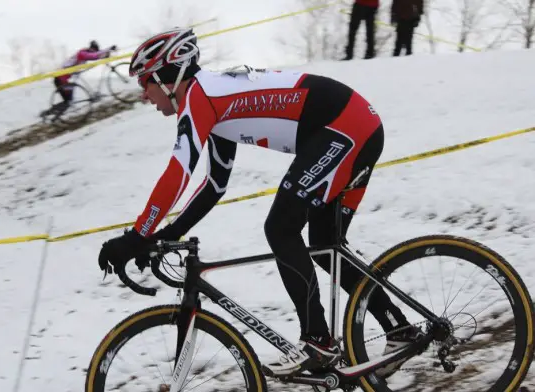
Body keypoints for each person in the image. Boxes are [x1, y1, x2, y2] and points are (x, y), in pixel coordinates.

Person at [97, 27, 421, 376]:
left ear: (167, 77)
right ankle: (399, 331)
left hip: (346, 128)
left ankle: (319, 342)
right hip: (352, 127)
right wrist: (165, 235)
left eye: (144, 82)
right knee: (324, 245)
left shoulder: (200, 97)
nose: (143, 95)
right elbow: (213, 186)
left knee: (281, 228)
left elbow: (177, 173)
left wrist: (137, 236)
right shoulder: (214, 101)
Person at [48, 40, 117, 114]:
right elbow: (95, 56)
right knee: (68, 101)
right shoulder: (82, 53)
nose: (95, 52)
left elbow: (96, 55)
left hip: (65, 77)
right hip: (60, 78)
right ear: (91, 48)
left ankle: (55, 113)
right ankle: (52, 115)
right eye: (94, 50)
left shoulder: (87, 52)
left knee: (69, 100)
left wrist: (105, 54)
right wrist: (109, 48)